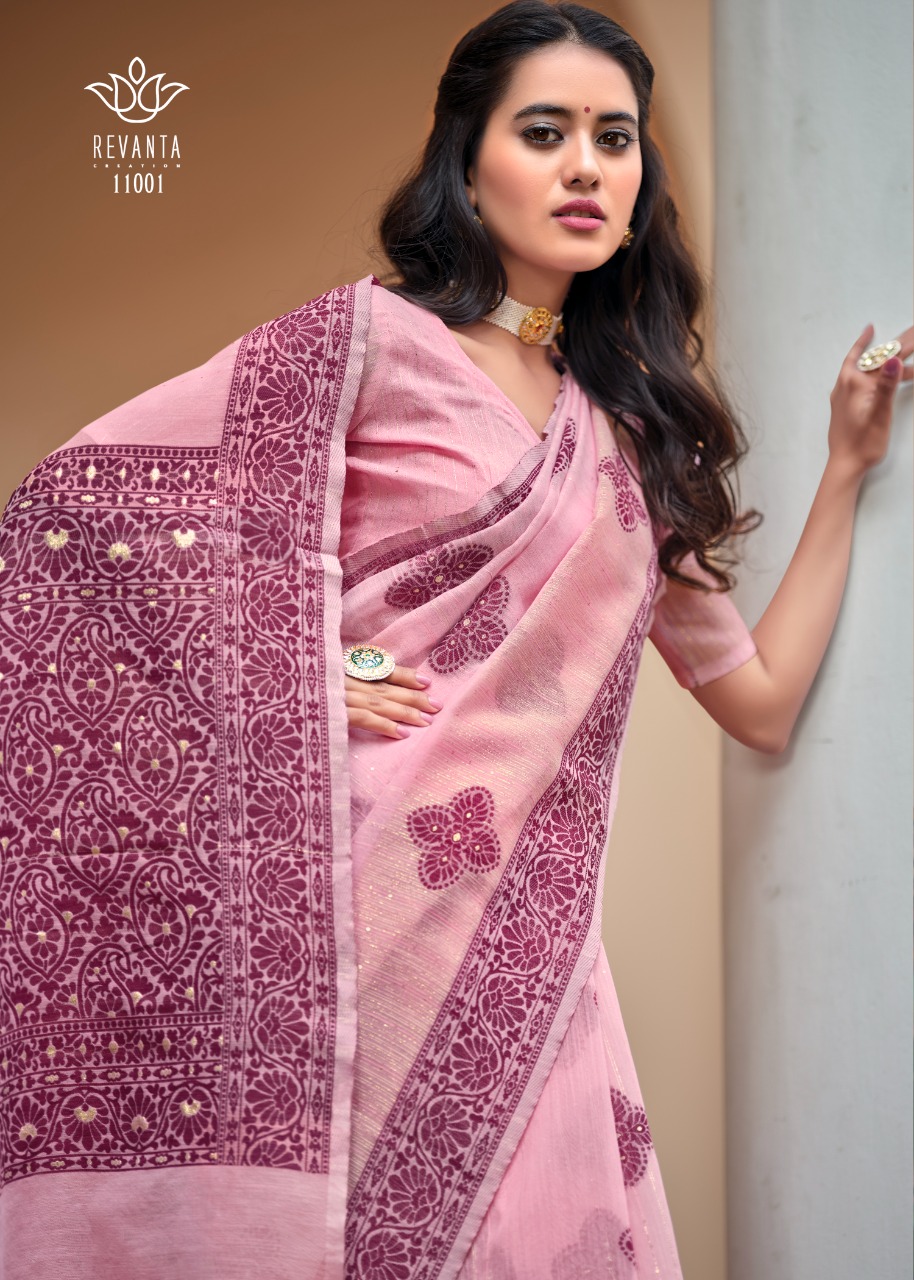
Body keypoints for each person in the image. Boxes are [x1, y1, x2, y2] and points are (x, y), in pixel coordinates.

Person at [0, 3, 908, 1278]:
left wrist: (845, 472)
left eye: (613, 138)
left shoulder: (625, 443)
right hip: (341, 926)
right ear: (467, 166)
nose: (584, 166)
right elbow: (73, 529)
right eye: (543, 132)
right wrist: (299, 670)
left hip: (528, 970)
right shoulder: (363, 344)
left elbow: (755, 697)